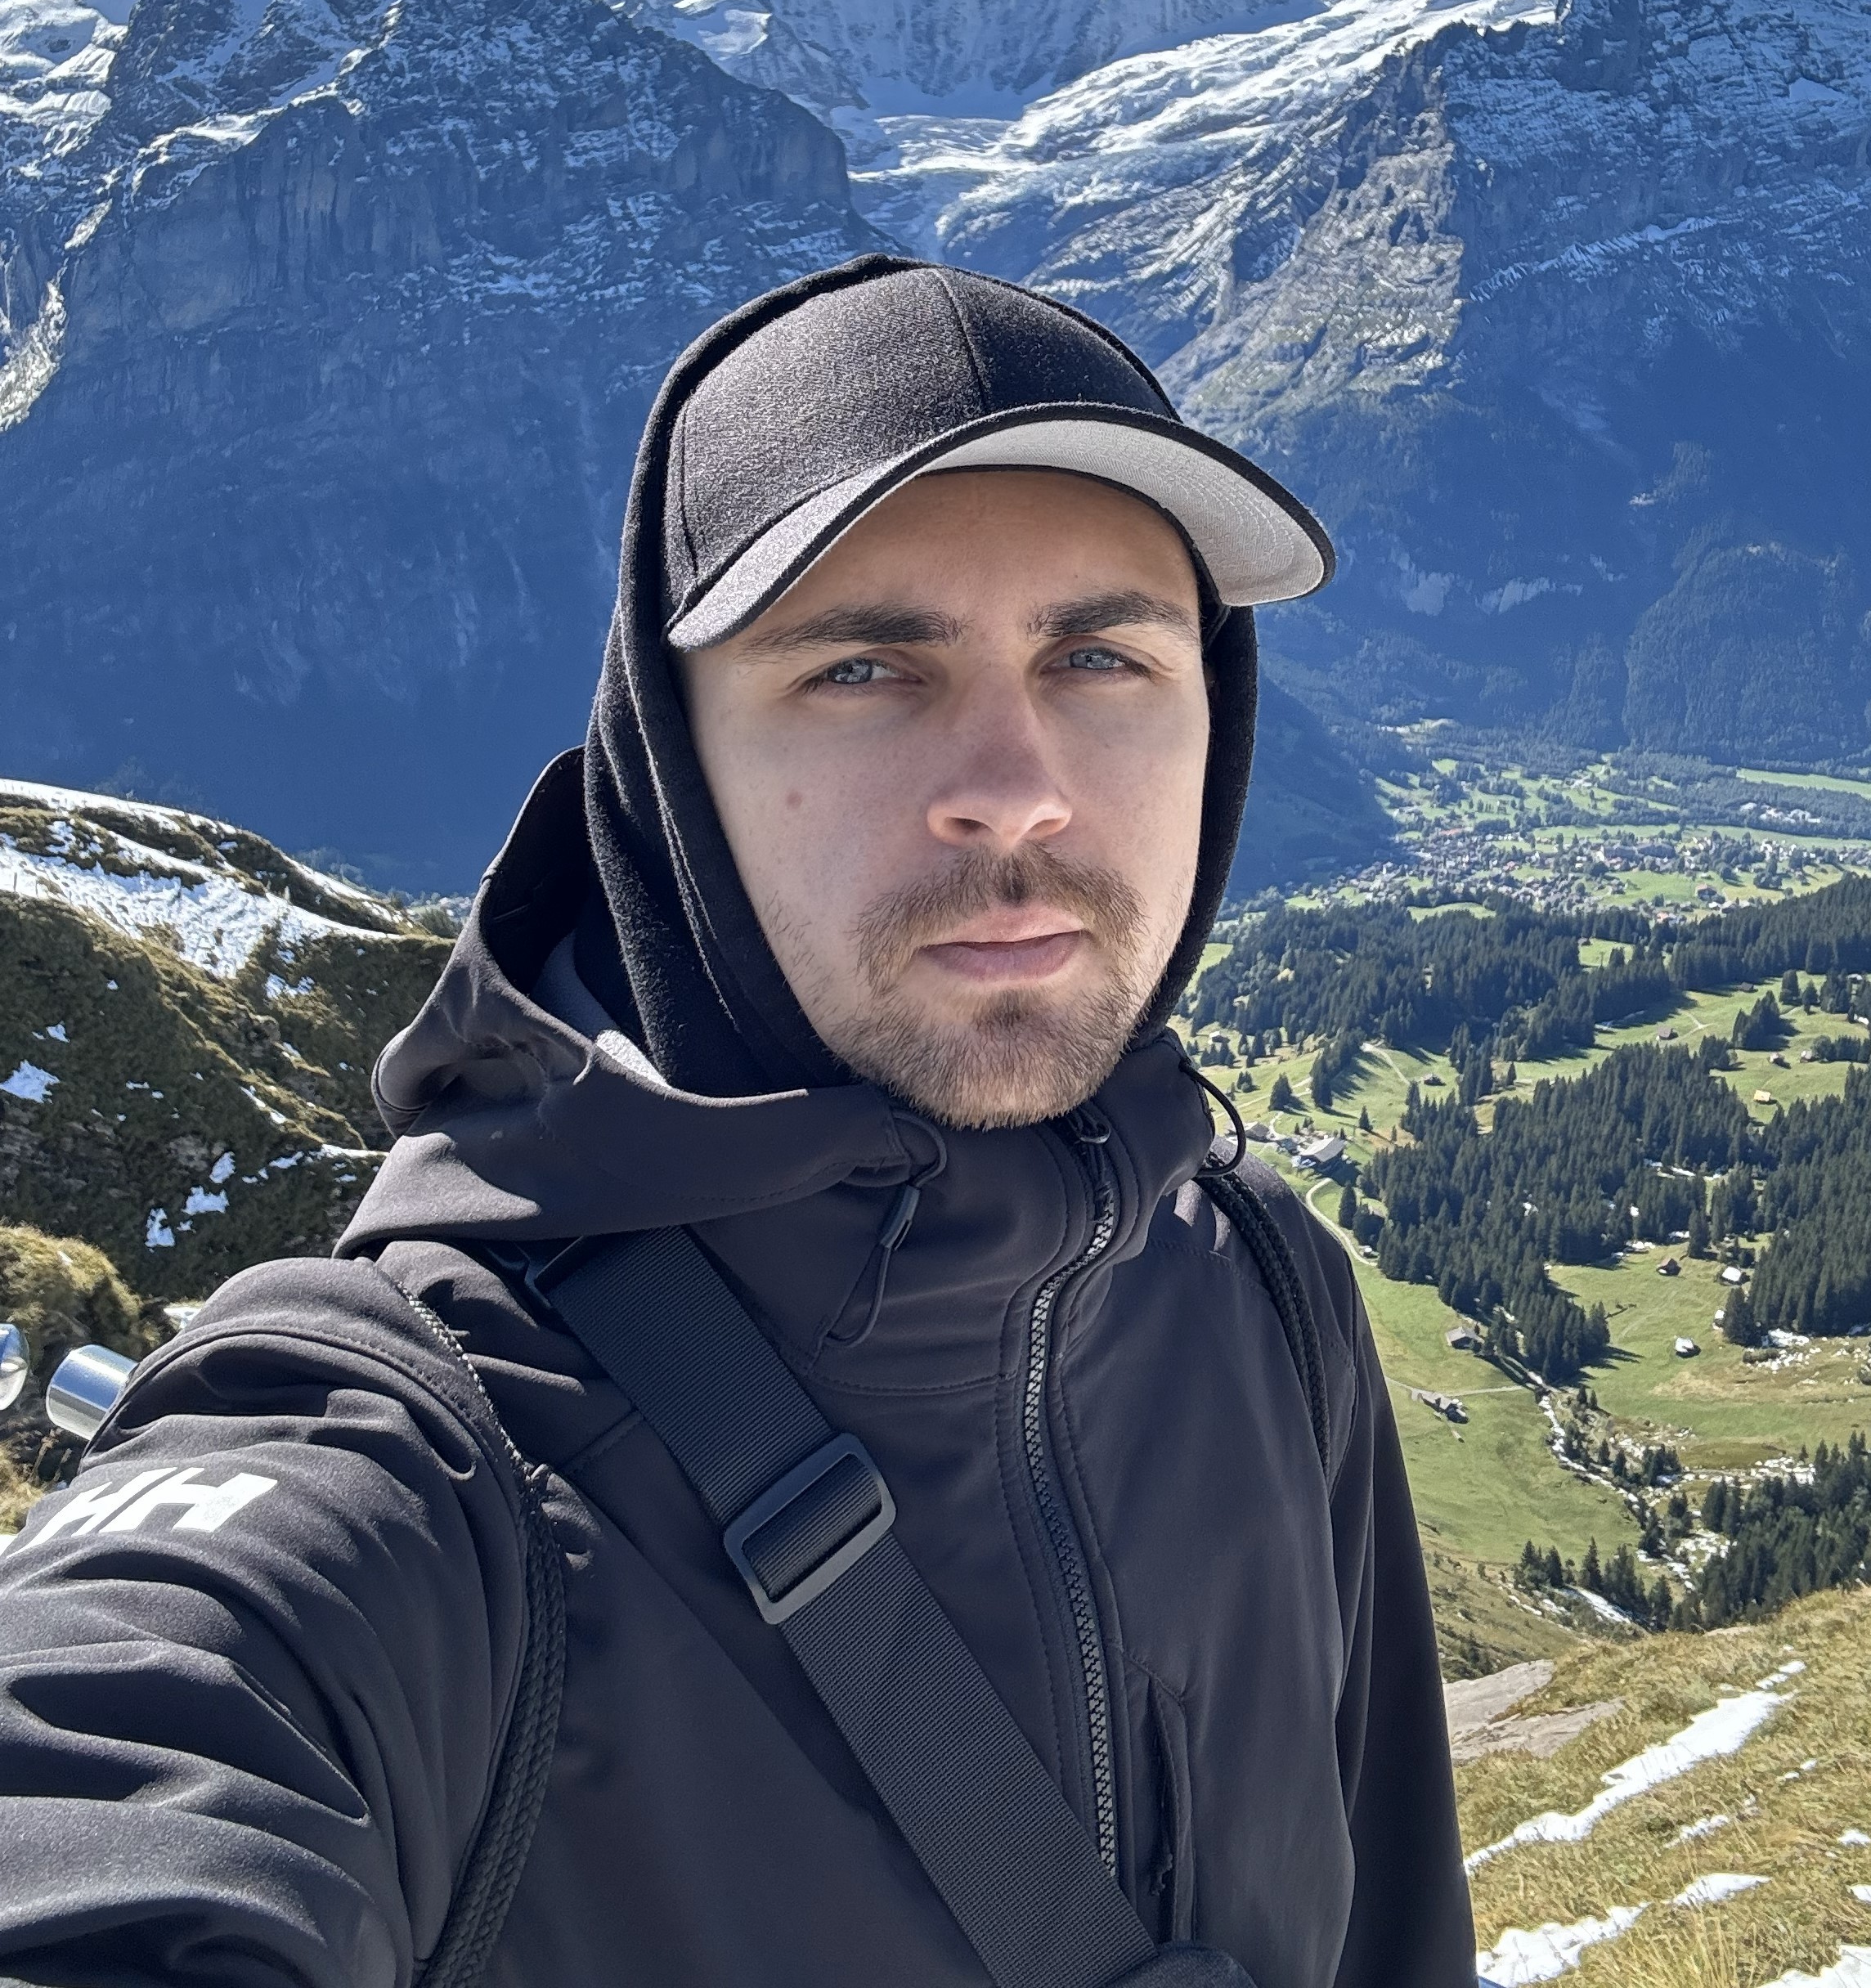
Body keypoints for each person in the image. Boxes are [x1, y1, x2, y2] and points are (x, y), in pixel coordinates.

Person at [0, 257, 1474, 1988]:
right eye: (862, 667)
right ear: (672, 761)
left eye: (1100, 654)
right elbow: (119, 1756)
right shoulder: (427, 1444)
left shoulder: (1259, 1282)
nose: (1017, 787)